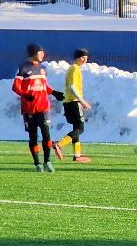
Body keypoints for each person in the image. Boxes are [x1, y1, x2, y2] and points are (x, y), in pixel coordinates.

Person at [12, 43, 60, 172]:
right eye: (40, 52)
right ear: (34, 53)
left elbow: (45, 86)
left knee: (47, 135)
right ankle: (37, 163)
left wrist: (54, 93)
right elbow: (15, 87)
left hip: (43, 107)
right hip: (29, 109)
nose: (43, 54)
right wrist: (25, 95)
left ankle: (47, 162)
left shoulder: (42, 68)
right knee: (33, 136)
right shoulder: (23, 68)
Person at [54, 47, 93, 164]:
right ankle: (59, 144)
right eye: (83, 57)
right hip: (73, 102)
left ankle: (77, 155)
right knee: (80, 129)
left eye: (86, 58)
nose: (85, 60)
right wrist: (82, 100)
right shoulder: (75, 69)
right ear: (79, 57)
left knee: (76, 128)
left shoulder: (71, 68)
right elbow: (72, 86)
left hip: (68, 102)